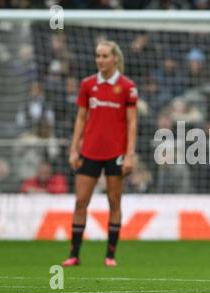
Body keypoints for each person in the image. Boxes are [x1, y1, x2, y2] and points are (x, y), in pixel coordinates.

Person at [62, 40, 138, 267]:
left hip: (115, 152)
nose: (101, 60)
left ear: (115, 58)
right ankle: (74, 254)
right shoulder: (87, 84)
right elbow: (81, 117)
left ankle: (110, 255)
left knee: (114, 201)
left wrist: (130, 154)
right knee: (80, 201)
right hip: (90, 151)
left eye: (105, 56)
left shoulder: (127, 87)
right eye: (98, 56)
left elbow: (132, 123)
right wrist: (74, 148)